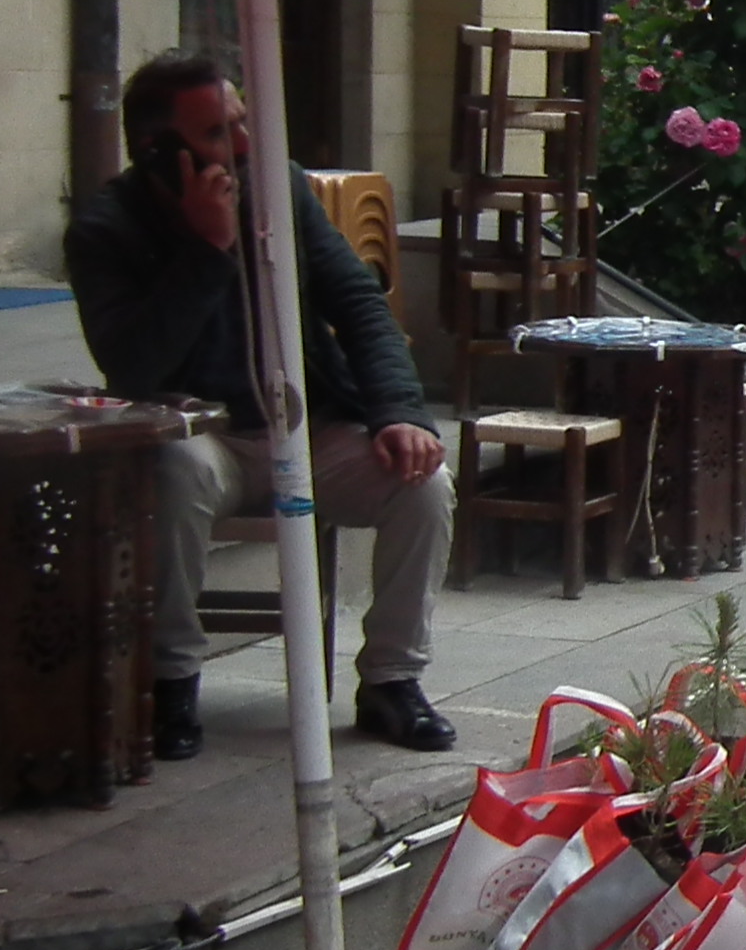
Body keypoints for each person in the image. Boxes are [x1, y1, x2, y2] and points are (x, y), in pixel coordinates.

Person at [67, 51, 456, 761]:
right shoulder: (106, 227)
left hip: (305, 426)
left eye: (244, 122)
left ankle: (393, 680)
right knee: (174, 470)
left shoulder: (281, 190)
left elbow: (359, 304)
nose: (244, 145)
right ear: (161, 149)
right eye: (219, 133)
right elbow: (132, 364)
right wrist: (207, 250)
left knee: (424, 482)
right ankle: (173, 679)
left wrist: (399, 411)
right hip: (201, 434)